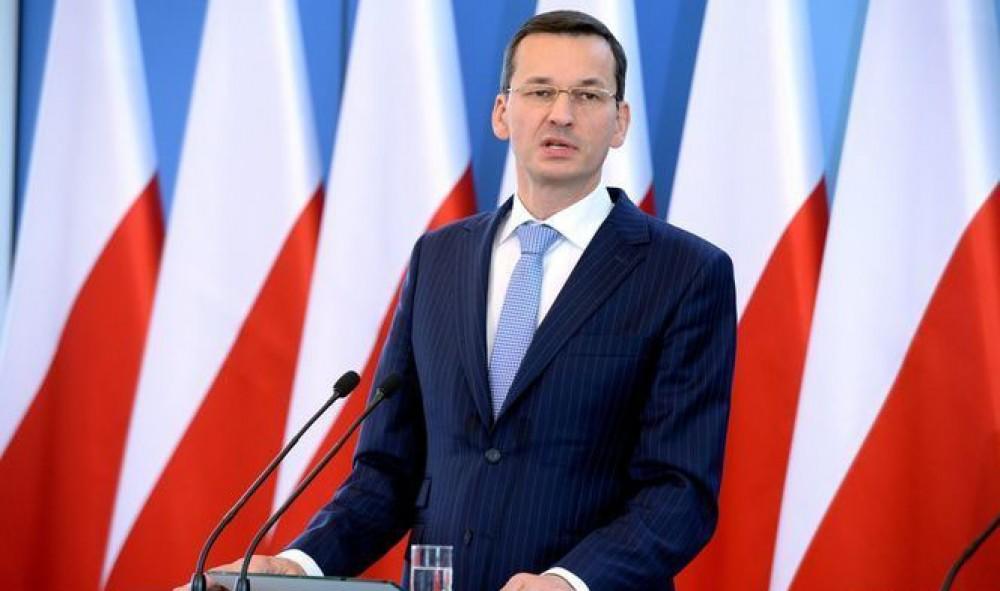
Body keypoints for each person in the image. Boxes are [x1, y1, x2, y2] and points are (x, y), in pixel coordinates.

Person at [188, 10, 735, 591]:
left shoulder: (684, 273)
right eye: (540, 91)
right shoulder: (439, 259)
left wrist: (569, 581)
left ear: (620, 121)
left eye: (587, 94)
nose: (561, 113)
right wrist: (298, 566)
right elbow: (387, 472)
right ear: (502, 113)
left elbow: (678, 490)